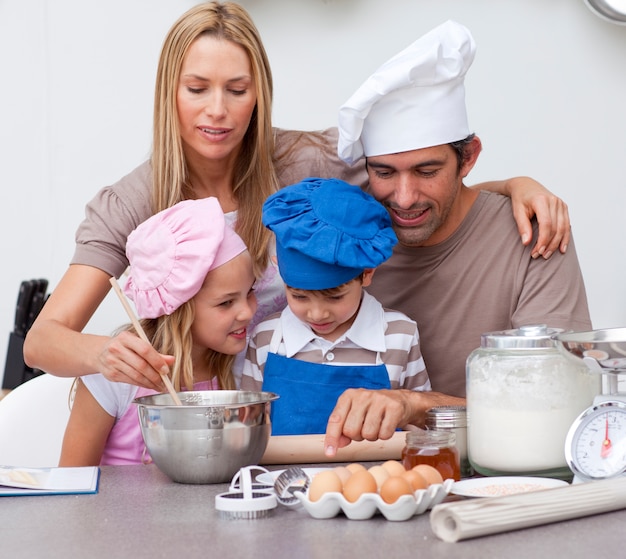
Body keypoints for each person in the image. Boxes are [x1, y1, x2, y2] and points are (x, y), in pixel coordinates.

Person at [24, 2, 570, 392]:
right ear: (170, 90)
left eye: (237, 90)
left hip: (306, 394)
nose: (218, 110)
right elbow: (42, 340)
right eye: (197, 88)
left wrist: (516, 185)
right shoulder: (132, 201)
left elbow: (412, 179)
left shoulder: (306, 163)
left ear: (259, 93)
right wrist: (103, 354)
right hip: (199, 402)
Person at [323, 20, 592, 457]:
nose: (404, 199)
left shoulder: (534, 236)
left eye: (427, 172)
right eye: (384, 172)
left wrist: (414, 405)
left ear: (468, 157)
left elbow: (553, 405)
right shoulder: (341, 235)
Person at [59, 198, 256, 465]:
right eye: (226, 302)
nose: (247, 312)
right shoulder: (114, 377)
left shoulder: (238, 366)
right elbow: (73, 483)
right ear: (178, 309)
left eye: (250, 292)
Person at [241, 177, 431, 435]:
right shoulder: (267, 337)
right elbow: (248, 431)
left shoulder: (400, 335)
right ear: (279, 270)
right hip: (282, 476)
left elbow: (422, 426)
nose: (317, 313)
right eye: (299, 297)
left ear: (367, 274)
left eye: (334, 297)